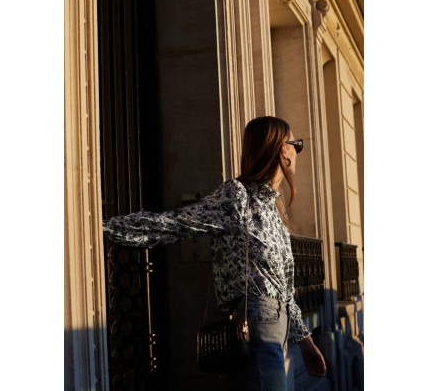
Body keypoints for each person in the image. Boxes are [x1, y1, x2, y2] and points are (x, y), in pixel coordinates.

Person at [103, 116, 327, 390]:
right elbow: (178, 223)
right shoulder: (238, 197)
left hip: (276, 329)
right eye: (297, 145)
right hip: (256, 324)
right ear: (283, 149)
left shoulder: (272, 208)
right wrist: (105, 229)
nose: (297, 152)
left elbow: (285, 288)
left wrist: (305, 341)